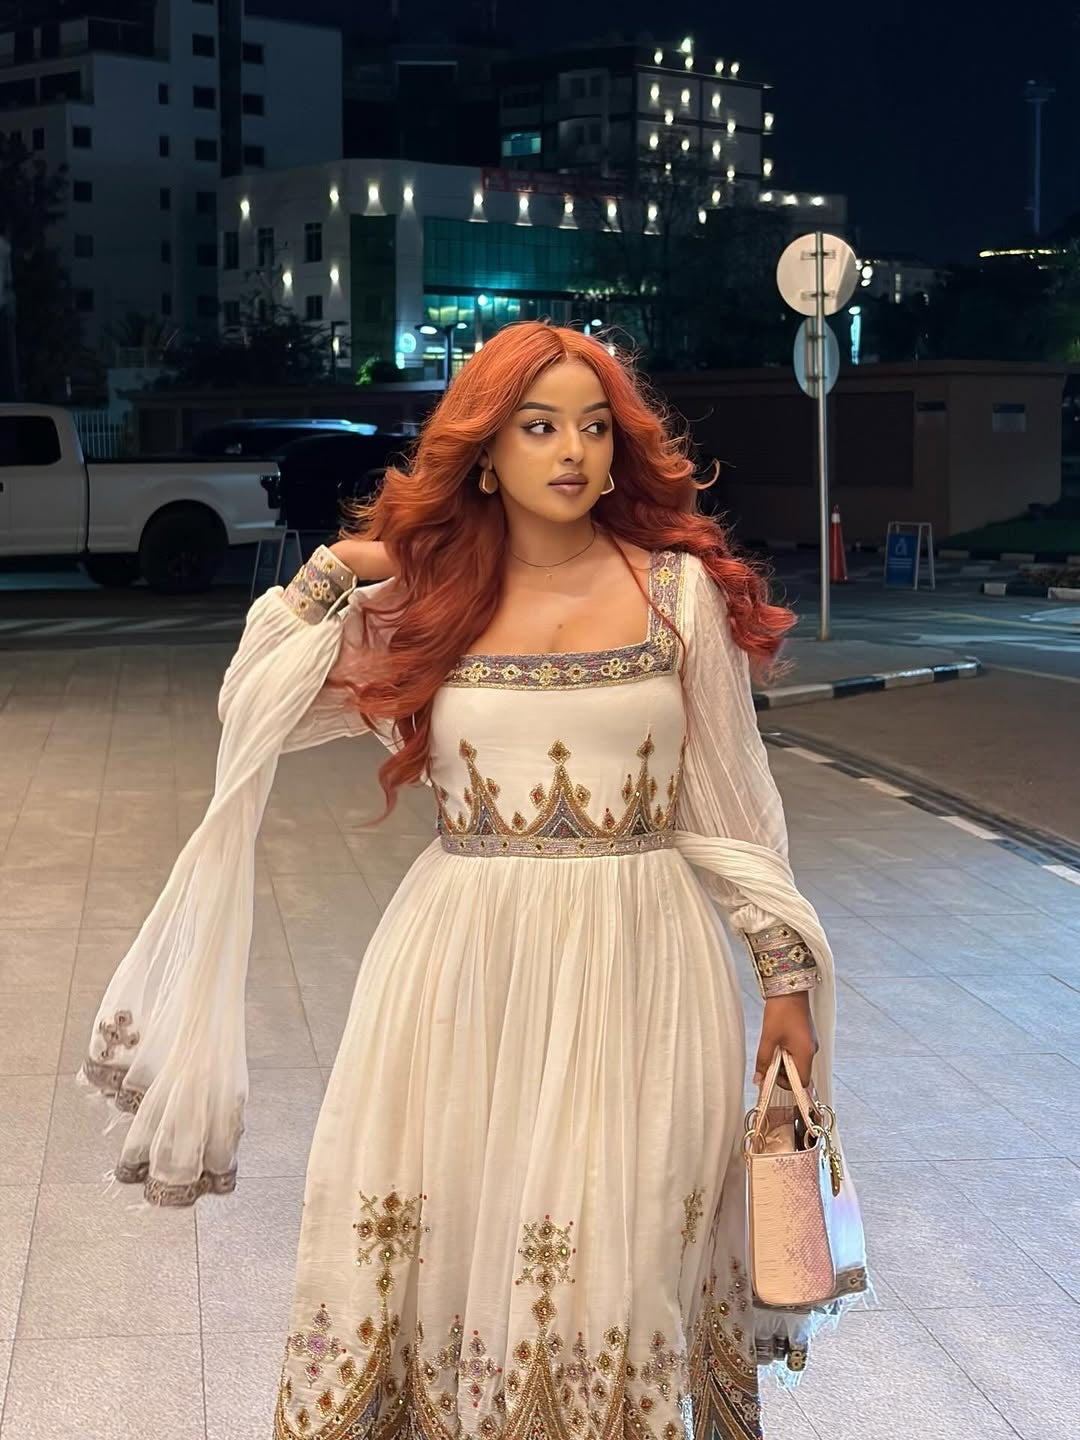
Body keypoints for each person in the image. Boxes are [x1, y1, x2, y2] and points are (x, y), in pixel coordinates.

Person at [85, 323, 862, 1440]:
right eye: (538, 426)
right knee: (450, 1237)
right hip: (460, 972)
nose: (572, 452)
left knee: (626, 1241)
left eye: (594, 428)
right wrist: (338, 572)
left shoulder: (676, 595)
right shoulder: (431, 600)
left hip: (643, 967)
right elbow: (253, 710)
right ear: (483, 451)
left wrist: (785, 980)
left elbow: (737, 808)